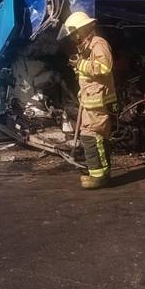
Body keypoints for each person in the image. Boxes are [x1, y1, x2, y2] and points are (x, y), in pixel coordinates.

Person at [57, 11, 117, 189]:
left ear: (82, 29)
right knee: (95, 137)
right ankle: (100, 173)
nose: (74, 37)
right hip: (91, 100)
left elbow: (104, 67)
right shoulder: (87, 47)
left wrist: (80, 65)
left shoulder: (99, 44)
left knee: (92, 137)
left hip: (98, 101)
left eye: (74, 32)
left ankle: (98, 175)